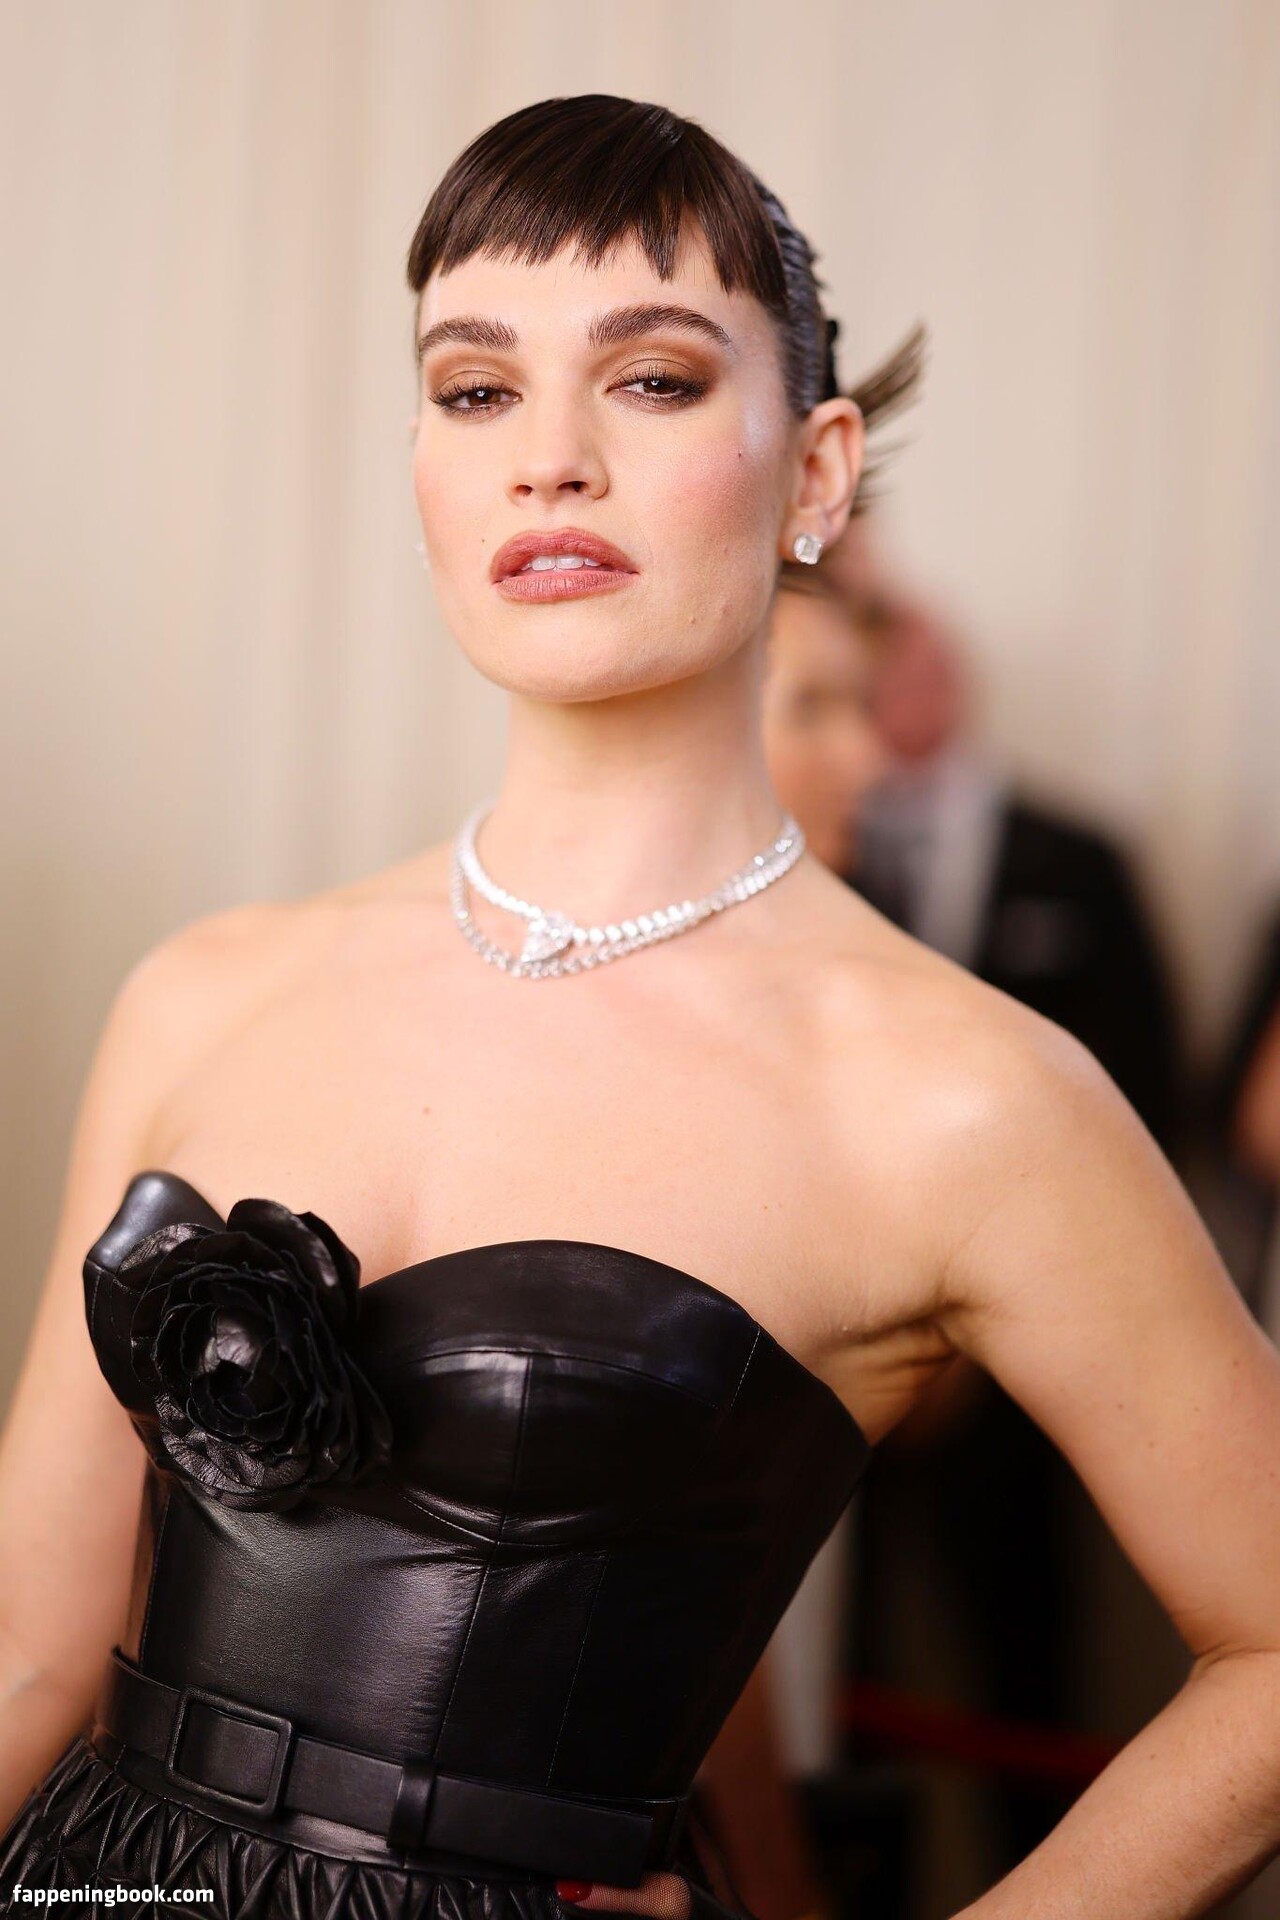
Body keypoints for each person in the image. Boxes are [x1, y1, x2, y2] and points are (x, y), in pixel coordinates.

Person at [2, 91, 1280, 1920]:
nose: (550, 459)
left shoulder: (962, 1096)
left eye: (655, 379)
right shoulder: (205, 989)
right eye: (475, 388)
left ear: (817, 474)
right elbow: (29, 1654)